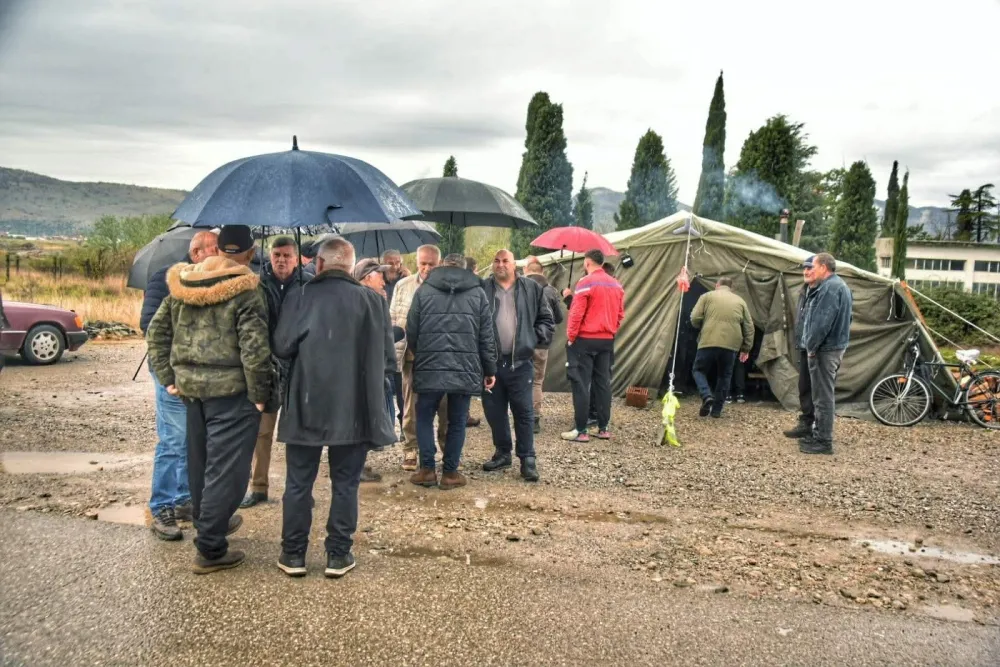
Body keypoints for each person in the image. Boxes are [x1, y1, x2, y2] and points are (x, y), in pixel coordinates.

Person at [146, 225, 273, 574]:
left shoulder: (184, 283)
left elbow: (155, 333)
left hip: (192, 394)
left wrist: (169, 378)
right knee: (226, 472)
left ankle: (207, 523)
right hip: (232, 394)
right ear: (248, 254)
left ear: (218, 250)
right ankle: (211, 548)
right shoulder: (247, 290)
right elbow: (255, 350)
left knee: (201, 466)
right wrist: (261, 396)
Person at [273, 236, 396, 578]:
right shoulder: (373, 301)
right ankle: (338, 555)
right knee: (346, 484)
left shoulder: (300, 296)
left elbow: (282, 346)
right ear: (350, 264)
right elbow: (388, 358)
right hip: (354, 408)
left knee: (298, 483)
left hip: (306, 404)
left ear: (321, 264)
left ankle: (293, 554)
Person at [140, 229, 218, 540]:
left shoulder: (210, 279)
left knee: (193, 438)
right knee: (173, 439)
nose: (220, 256)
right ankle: (161, 506)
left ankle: (185, 499)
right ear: (197, 252)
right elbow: (149, 324)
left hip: (198, 374)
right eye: (215, 249)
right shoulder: (167, 278)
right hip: (171, 371)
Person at [407, 253, 497, 489]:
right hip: (465, 368)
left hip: (429, 365)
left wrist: (421, 354)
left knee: (425, 417)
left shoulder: (424, 290)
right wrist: (489, 369)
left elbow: (412, 330)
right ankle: (450, 473)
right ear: (466, 268)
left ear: (442, 267)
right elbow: (486, 336)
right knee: (457, 421)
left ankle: (426, 469)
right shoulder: (478, 294)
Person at [481, 249, 554, 482]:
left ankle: (527, 458)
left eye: (505, 261)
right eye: (496, 260)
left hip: (520, 362)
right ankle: (503, 452)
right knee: (494, 412)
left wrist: (533, 338)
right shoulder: (483, 289)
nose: (500, 264)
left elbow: (547, 319)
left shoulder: (531, 289)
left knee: (523, 411)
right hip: (490, 363)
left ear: (515, 265)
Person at [241, 236, 300, 509]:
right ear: (269, 256)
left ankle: (297, 489)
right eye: (277, 254)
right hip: (267, 366)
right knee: (262, 432)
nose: (281, 260)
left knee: (298, 433)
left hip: (299, 367)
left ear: (296, 258)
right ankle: (259, 486)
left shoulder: (307, 286)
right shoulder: (257, 284)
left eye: (287, 255)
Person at [784, 253, 853, 455]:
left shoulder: (830, 288)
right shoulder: (830, 286)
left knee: (823, 396)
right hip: (824, 347)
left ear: (823, 267)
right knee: (815, 392)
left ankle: (823, 441)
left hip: (824, 349)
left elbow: (821, 323)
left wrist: (812, 347)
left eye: (811, 267)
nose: (806, 271)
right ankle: (812, 430)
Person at [390, 245, 447, 471]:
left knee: (445, 407)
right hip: (411, 357)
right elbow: (393, 319)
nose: (426, 268)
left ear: (439, 264)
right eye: (422, 263)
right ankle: (410, 449)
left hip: (440, 358)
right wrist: (393, 356)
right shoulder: (403, 286)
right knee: (410, 407)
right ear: (416, 262)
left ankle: (446, 448)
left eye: (431, 264)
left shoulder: (447, 287)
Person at [560, 250, 625, 443]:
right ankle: (603, 428)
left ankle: (581, 430)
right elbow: (620, 314)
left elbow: (576, 314)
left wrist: (571, 337)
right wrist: (610, 330)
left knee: (581, 383)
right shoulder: (616, 284)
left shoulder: (585, 283)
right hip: (607, 340)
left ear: (588, 263)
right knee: (603, 383)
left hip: (584, 340)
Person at [354, 257, 400, 483]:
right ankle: (357, 466)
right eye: (379, 275)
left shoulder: (351, 297)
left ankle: (359, 464)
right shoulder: (374, 300)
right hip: (373, 369)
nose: (383, 280)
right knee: (367, 416)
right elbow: (385, 337)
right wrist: (389, 366)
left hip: (356, 369)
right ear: (367, 277)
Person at [689, 277, 753, 419]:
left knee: (698, 370)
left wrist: (704, 327)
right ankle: (717, 411)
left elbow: (694, 318)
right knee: (724, 376)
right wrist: (746, 348)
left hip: (708, 340)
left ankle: (706, 395)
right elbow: (749, 327)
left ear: (717, 285)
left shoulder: (706, 296)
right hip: (731, 345)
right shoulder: (740, 301)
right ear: (731, 288)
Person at [523, 259, 564, 434]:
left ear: (526, 270)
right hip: (541, 343)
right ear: (543, 272)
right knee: (536, 381)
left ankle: (520, 416)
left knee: (518, 380)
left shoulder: (518, 288)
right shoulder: (550, 291)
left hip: (520, 342)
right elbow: (559, 318)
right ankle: (534, 419)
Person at [382, 249, 409, 431]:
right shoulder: (376, 282)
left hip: (399, 338)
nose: (394, 265)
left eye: (397, 262)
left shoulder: (405, 282)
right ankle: (385, 427)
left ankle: (404, 426)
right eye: (390, 262)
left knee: (402, 389)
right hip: (381, 338)